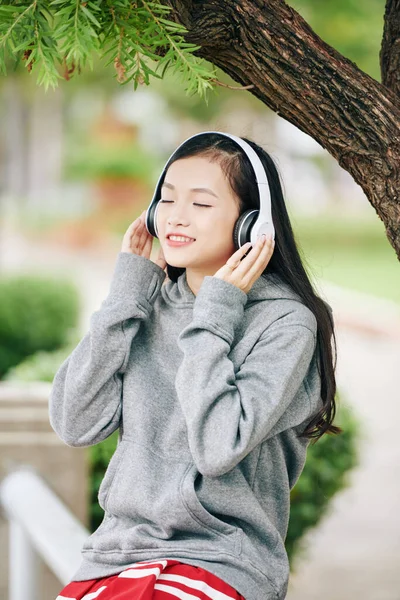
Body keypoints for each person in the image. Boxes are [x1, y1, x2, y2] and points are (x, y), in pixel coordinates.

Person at [50, 131, 340, 600]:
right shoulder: (148, 303)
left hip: (221, 559)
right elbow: (74, 422)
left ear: (251, 224)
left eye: (201, 205)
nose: (175, 219)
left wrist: (216, 313)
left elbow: (216, 447)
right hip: (116, 557)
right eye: (166, 200)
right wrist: (127, 294)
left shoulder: (285, 323)